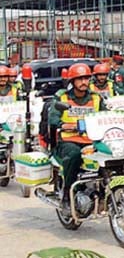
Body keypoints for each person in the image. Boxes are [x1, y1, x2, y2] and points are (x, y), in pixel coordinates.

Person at [48, 63, 107, 209]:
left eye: (86, 79)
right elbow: (53, 119)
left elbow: (106, 115)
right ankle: (68, 193)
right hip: (68, 140)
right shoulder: (62, 97)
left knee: (112, 155)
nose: (84, 82)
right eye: (80, 79)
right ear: (72, 81)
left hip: (91, 141)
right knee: (74, 155)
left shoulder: (96, 98)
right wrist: (64, 125)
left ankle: (107, 190)